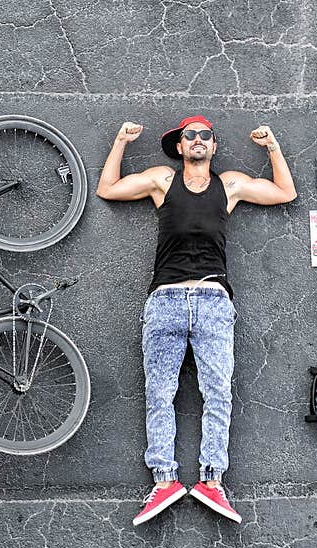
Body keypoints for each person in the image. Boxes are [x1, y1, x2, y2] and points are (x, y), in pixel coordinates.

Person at [96, 115, 297, 526]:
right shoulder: (162, 181)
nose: (198, 140)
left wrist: (272, 146)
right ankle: (164, 480)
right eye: (190, 136)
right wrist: (120, 140)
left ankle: (211, 481)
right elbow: (108, 189)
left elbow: (284, 193)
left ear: (214, 146)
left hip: (213, 300)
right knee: (159, 394)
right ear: (180, 147)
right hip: (165, 299)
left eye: (205, 135)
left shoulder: (232, 185)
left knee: (217, 394)